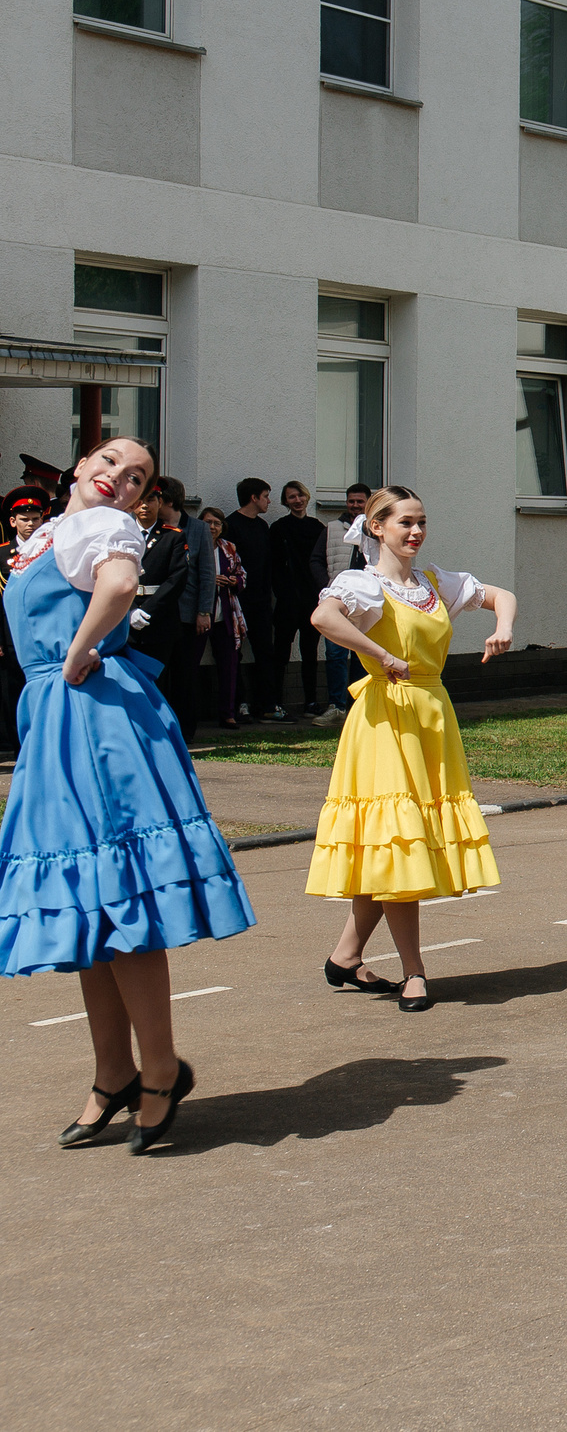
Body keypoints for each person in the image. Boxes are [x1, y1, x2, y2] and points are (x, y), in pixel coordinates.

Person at [0, 437, 253, 1153]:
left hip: (94, 715)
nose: (120, 476)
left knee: (123, 894)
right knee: (88, 899)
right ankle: (114, 1069)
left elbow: (115, 586)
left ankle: (161, 1067)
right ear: (80, 468)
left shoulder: (102, 528)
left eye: (136, 475)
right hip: (57, 715)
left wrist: (81, 649)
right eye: (109, 462)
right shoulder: (50, 532)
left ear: (140, 498)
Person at [305, 488, 519, 1012]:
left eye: (421, 522)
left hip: (430, 714)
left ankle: (346, 958)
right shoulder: (362, 583)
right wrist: (380, 654)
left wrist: (503, 628)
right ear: (376, 527)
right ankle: (414, 971)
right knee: (399, 841)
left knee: (397, 844)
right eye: (404, 522)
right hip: (385, 719)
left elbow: (501, 596)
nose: (416, 531)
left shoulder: (433, 582)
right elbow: (323, 619)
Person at [133, 478, 206, 738]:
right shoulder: (121, 535)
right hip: (125, 616)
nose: (144, 506)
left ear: (160, 502)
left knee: (160, 679)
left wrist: (148, 610)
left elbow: (176, 579)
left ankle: (162, 733)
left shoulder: (172, 537)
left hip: (160, 617)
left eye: (151, 500)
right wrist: (130, 608)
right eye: (139, 501)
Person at [222, 477, 285, 721]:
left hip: (261, 600)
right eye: (266, 496)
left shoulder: (262, 527)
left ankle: (266, 705)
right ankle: (240, 704)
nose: (269, 501)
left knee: (264, 651)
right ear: (253, 497)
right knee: (234, 651)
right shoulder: (231, 525)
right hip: (236, 599)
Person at [270, 480, 329, 716]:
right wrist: (282, 592)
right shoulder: (278, 528)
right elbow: (274, 566)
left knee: (310, 653)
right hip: (287, 601)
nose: (297, 500)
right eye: (291, 497)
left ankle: (311, 703)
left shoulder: (317, 528)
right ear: (286, 502)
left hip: (312, 600)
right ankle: (276, 702)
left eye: (299, 496)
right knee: (281, 652)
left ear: (306, 497)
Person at [0, 484, 52, 747]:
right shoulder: (1, 553)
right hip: (10, 635)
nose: (31, 524)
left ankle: (43, 743)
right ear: (13, 521)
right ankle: (19, 745)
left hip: (45, 633)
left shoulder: (52, 550)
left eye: (36, 518)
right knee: (13, 690)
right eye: (24, 519)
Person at [316, 482, 371, 724]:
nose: (355, 505)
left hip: (369, 604)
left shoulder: (378, 529)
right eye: (351, 501)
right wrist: (329, 587)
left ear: (369, 503)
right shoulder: (332, 528)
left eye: (360, 501)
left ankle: (359, 706)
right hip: (339, 603)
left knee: (364, 655)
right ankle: (336, 706)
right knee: (336, 654)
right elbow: (315, 560)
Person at [201, 506, 248, 727]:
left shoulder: (228, 547)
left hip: (226, 612)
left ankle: (227, 713)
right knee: (190, 662)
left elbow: (242, 574)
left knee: (229, 664)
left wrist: (233, 582)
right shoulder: (192, 545)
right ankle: (190, 713)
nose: (212, 527)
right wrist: (210, 580)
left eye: (216, 523)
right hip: (199, 613)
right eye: (208, 522)